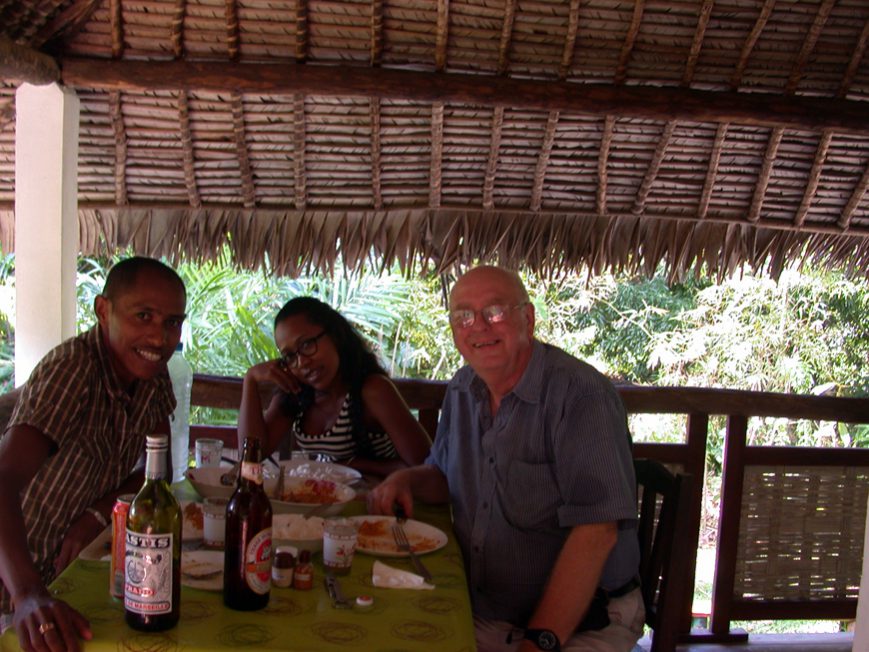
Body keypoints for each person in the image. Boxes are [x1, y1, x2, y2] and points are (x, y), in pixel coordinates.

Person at [368, 266, 643, 652]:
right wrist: (407, 480)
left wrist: (539, 641)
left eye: (494, 312)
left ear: (527, 319)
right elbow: (443, 475)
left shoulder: (580, 396)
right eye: (463, 316)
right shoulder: (463, 389)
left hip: (583, 622)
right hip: (487, 611)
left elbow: (598, 532)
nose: (478, 326)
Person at [0, 257, 186, 651]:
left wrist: (99, 512)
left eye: (171, 322)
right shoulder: (74, 369)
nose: (159, 337)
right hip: (15, 590)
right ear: (104, 310)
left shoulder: (150, 374)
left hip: (73, 574)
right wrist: (28, 593)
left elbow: (158, 468)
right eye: (144, 316)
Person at [238, 296, 431, 478]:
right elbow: (250, 456)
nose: (302, 362)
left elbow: (425, 465)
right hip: (322, 501)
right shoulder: (297, 395)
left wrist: (352, 465)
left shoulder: (372, 390)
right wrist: (250, 380)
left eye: (306, 344)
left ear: (335, 335)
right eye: (290, 356)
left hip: (379, 504)